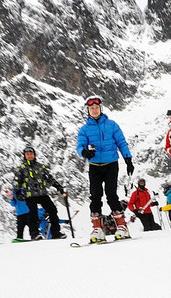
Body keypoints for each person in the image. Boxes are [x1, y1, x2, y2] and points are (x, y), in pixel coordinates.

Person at [76, 94, 135, 243]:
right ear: (88, 110)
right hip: (94, 166)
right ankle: (97, 229)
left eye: (96, 107)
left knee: (111, 194)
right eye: (91, 108)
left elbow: (121, 142)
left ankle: (121, 226)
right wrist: (84, 152)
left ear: (100, 109)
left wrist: (128, 159)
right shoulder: (84, 129)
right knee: (95, 196)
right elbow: (80, 146)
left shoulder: (112, 125)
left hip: (111, 164)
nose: (94, 110)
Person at [13, 147, 67, 240]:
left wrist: (58, 187)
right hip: (30, 195)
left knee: (52, 210)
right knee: (33, 213)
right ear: (25, 156)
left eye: (31, 154)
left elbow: (49, 178)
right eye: (27, 154)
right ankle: (34, 233)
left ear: (34, 155)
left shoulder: (40, 167)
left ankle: (56, 232)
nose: (29, 156)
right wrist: (17, 192)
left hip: (42, 193)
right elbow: (17, 182)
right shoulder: (21, 169)